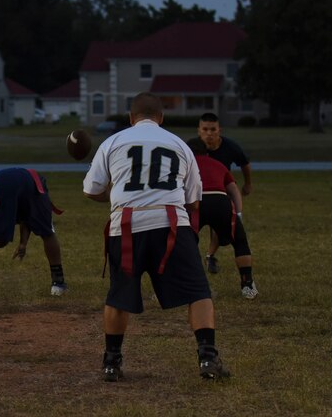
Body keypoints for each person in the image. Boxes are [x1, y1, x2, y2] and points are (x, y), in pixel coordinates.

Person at [83, 92, 230, 381]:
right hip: (171, 223)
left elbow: (91, 190)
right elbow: (193, 199)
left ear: (130, 118)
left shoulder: (112, 142)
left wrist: (118, 195)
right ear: (161, 118)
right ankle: (207, 357)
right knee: (198, 291)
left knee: (119, 295)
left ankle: (111, 362)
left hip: (126, 225)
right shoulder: (179, 144)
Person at [0, 167, 67, 299]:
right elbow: (26, 217)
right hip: (32, 181)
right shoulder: (6, 201)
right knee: (48, 232)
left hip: (7, 183)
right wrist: (23, 244)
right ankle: (58, 284)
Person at [186, 138, 258, 299]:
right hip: (221, 201)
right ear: (207, 152)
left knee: (187, 245)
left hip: (197, 202)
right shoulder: (219, 165)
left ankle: (196, 287)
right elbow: (233, 190)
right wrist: (238, 214)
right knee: (240, 242)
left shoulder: (186, 164)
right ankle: (247, 284)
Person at [197, 112, 253, 274]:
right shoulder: (192, 148)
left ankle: (210, 255)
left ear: (219, 130)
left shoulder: (230, 147)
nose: (209, 134)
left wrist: (248, 184)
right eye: (205, 129)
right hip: (198, 193)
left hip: (221, 190)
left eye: (213, 129)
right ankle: (195, 258)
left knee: (219, 225)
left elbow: (244, 163)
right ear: (199, 130)